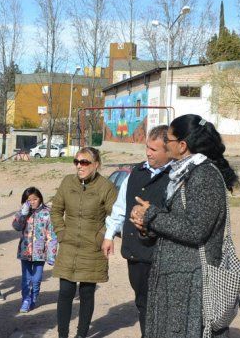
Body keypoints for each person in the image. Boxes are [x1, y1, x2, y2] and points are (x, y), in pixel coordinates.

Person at [130, 114, 238, 338]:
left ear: (182, 145)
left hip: (193, 281)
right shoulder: (184, 173)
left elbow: (195, 230)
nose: (165, 144)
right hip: (177, 278)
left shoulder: (204, 175)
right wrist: (146, 227)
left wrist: (151, 214)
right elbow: (176, 222)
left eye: (168, 140)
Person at [101, 125, 171, 337]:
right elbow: (120, 208)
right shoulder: (135, 173)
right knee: (142, 302)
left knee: (162, 306)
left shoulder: (176, 176)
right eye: (147, 147)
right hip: (135, 252)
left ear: (169, 151)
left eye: (154, 149)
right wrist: (109, 235)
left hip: (162, 254)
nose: (148, 153)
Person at [51, 147, 118, 338]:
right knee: (65, 292)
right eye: (77, 162)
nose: (79, 166)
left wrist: (102, 236)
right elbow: (56, 210)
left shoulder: (106, 187)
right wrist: (61, 232)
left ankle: (81, 334)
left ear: (96, 165)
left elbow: (114, 216)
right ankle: (62, 334)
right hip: (69, 246)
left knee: (87, 293)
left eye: (85, 162)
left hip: (92, 248)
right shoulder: (67, 182)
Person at [12, 187, 57, 313]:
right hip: (25, 252)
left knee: (36, 279)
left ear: (40, 198)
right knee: (26, 278)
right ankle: (26, 300)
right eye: (29, 200)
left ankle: (34, 296)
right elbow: (16, 226)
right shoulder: (23, 212)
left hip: (40, 253)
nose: (32, 202)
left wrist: (51, 255)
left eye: (35, 199)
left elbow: (52, 235)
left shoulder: (48, 212)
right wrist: (23, 214)